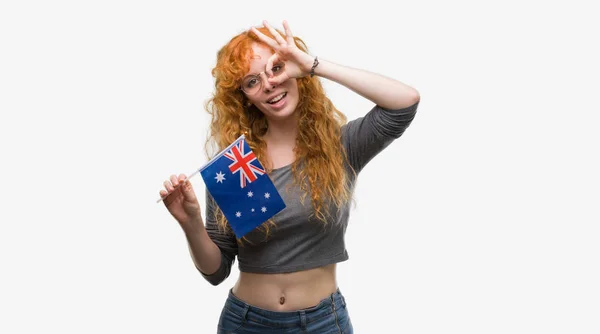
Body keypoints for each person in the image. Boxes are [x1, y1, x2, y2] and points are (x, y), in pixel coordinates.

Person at [159, 20, 420, 333]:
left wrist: (313, 65)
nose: (269, 84)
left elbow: (403, 103)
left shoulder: (340, 147)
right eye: (252, 81)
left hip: (322, 323)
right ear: (244, 97)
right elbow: (215, 272)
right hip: (245, 322)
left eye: (276, 68)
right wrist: (189, 222)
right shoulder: (237, 166)